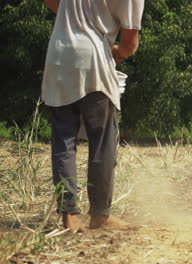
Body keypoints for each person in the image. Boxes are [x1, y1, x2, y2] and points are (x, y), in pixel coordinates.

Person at [42, 0, 145, 232]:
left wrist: (75, 14)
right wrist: (118, 51)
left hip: (59, 56)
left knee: (64, 142)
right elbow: (129, 42)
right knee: (102, 142)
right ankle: (100, 215)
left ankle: (69, 216)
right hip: (94, 61)